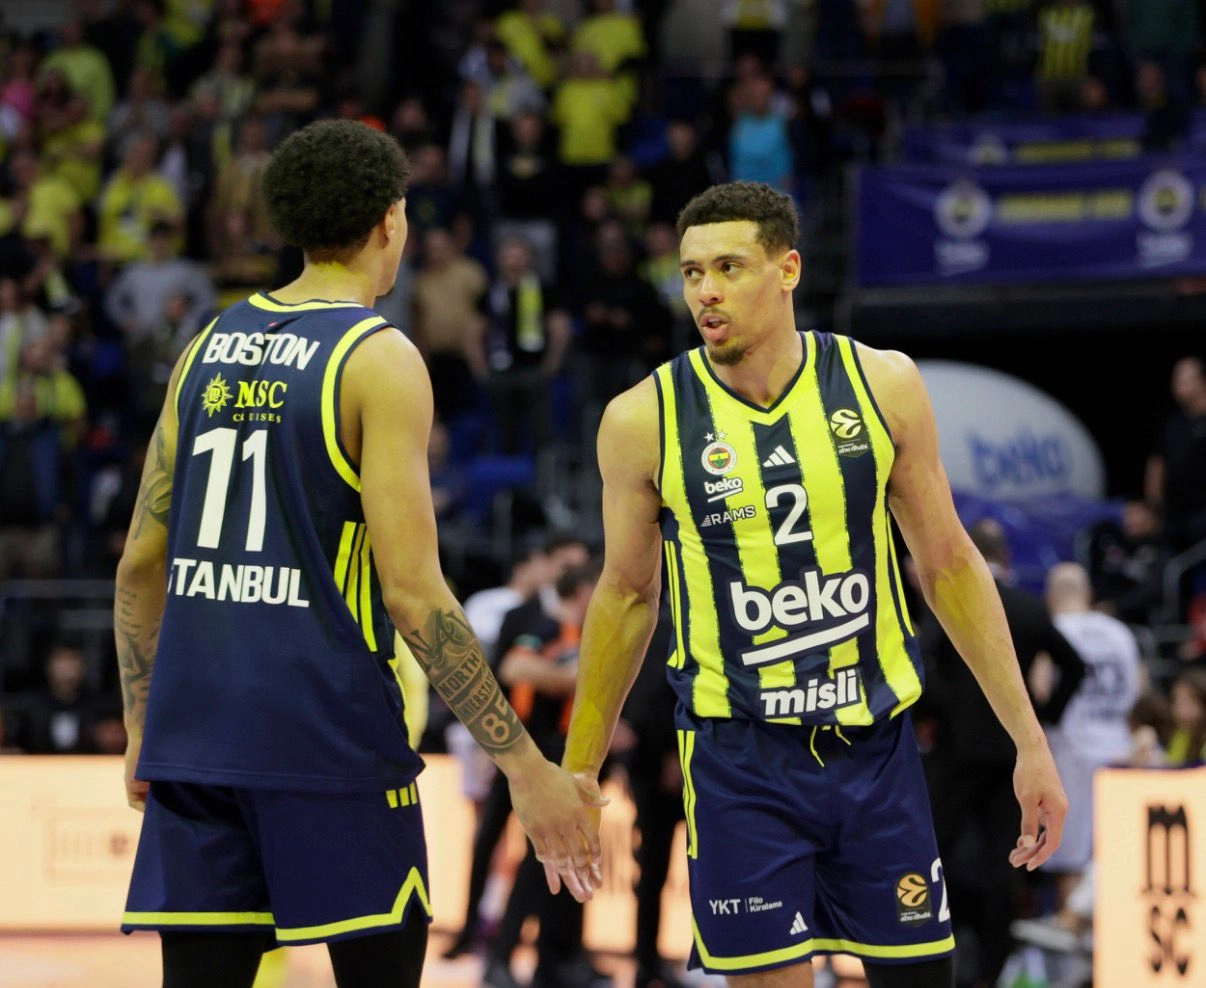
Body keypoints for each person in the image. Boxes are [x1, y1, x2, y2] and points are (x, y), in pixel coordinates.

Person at [113, 120, 602, 988]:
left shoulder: (205, 347)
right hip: (327, 736)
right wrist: (525, 767)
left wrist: (143, 724)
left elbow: (140, 565)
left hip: (198, 737)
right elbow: (414, 594)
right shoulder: (377, 356)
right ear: (390, 220)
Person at [557, 182, 1067, 987]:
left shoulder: (881, 384)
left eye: (729, 267)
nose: (706, 291)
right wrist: (579, 770)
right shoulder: (642, 419)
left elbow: (949, 565)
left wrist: (1030, 743)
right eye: (692, 273)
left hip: (876, 747)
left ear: (788, 269)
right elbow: (625, 598)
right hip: (739, 761)